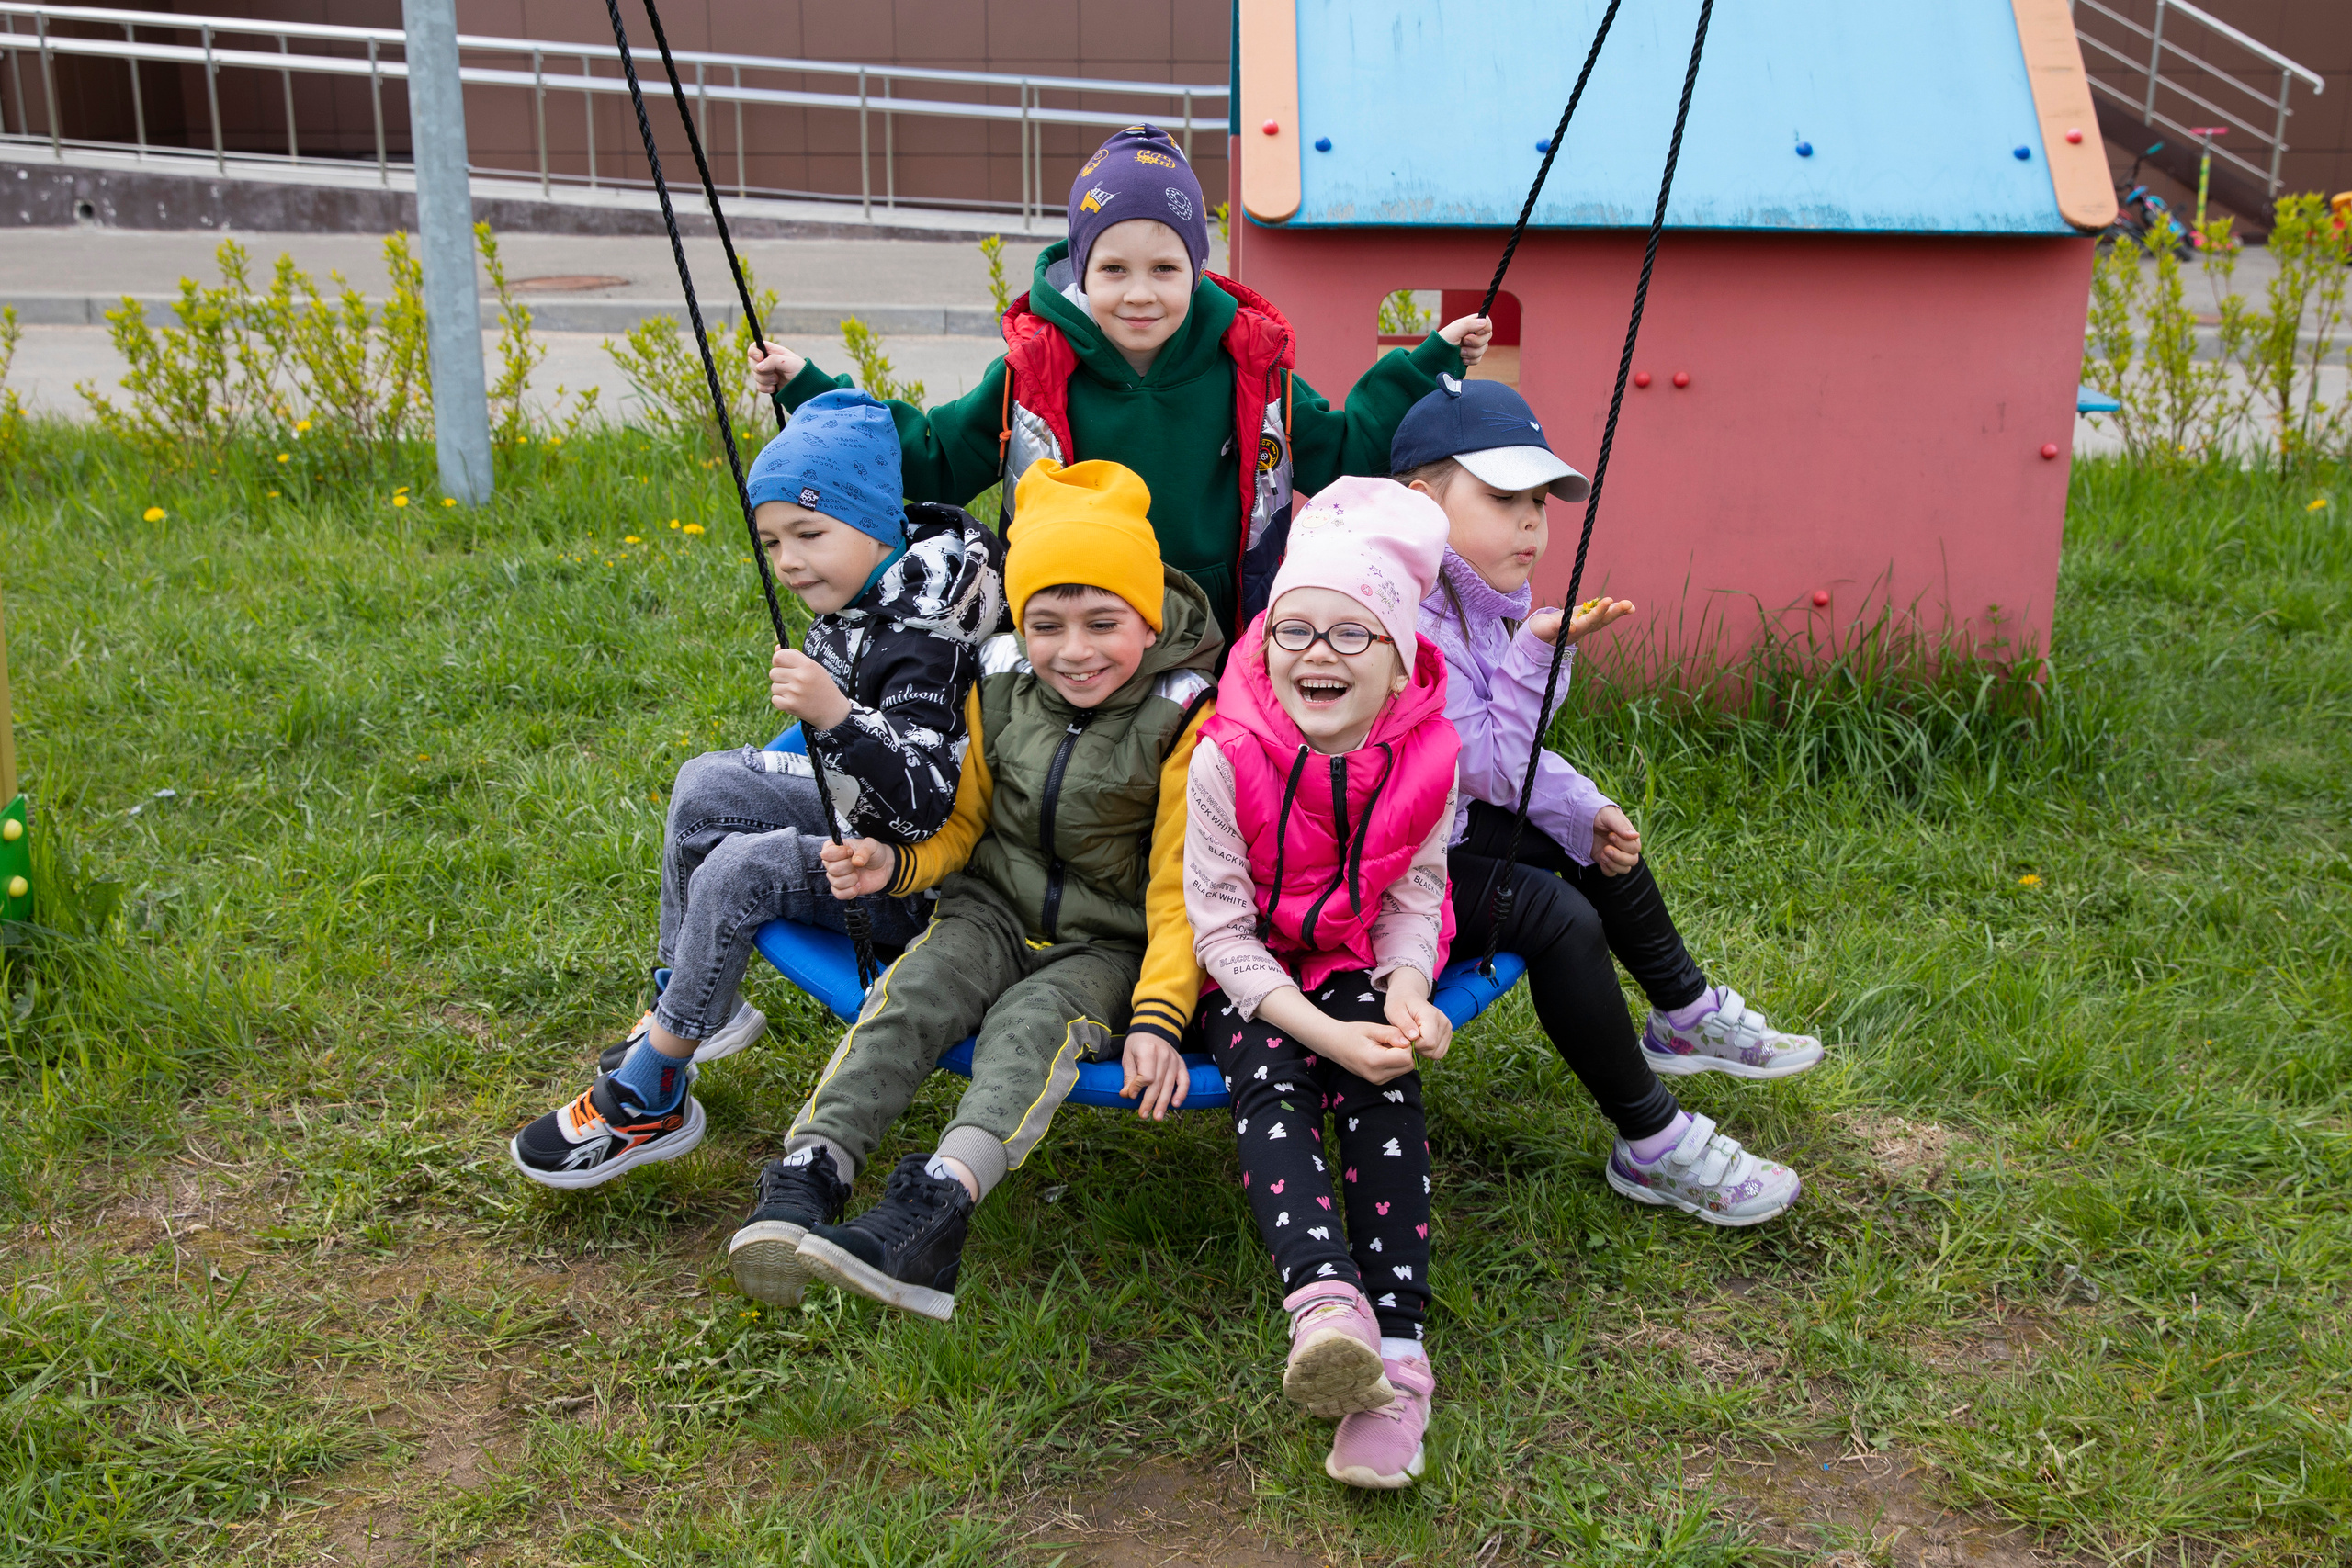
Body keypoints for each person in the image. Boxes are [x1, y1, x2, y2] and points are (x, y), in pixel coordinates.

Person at [722, 457, 1221, 1319]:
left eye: (1104, 622)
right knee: (912, 992)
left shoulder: (1186, 719)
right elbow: (965, 822)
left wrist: (1159, 1017)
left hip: (1108, 943)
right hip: (989, 907)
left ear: (1148, 619)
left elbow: (1185, 890)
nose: (1073, 651)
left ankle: (937, 1207)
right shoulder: (1000, 689)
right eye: (1045, 623)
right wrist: (896, 867)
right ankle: (816, 1165)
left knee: (1032, 1027)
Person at [508, 390, 1007, 1190]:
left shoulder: (926, 637)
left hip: (910, 882)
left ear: (879, 524)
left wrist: (837, 714)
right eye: (773, 540)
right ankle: (695, 1004)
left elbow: (928, 803)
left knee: (741, 868)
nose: (789, 561)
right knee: (704, 784)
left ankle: (654, 1093)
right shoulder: (873, 584)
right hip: (856, 804)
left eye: (810, 534)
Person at [747, 123, 1494, 643]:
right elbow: (935, 454)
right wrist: (810, 393)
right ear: (1081, 269)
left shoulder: (1251, 368)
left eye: (1165, 268)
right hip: (1073, 617)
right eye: (1114, 269)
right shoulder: (1033, 373)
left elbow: (1348, 450)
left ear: (1197, 268)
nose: (1140, 294)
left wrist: (1426, 360)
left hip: (1213, 622)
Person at [1394, 377, 1823, 1226]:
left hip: (1440, 827)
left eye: (1541, 504)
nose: (1530, 523)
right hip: (1381, 877)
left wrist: (1584, 805)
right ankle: (1651, 1141)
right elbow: (1483, 760)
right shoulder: (1399, 614)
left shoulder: (1475, 595)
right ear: (1420, 503)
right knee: (1558, 913)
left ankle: (1684, 1011)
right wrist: (1533, 660)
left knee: (1590, 832)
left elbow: (1499, 770)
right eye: (1503, 498)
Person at [1184, 478, 1458, 1491]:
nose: (1316, 654)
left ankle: (1397, 1356)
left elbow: (1415, 893)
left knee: (1383, 1078)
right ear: (1263, 647)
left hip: (1347, 956)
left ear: (1397, 665)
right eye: (1293, 630)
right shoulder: (1228, 758)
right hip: (1247, 972)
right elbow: (1218, 930)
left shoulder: (1430, 757)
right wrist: (1324, 1032)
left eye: (1352, 636)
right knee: (1272, 1075)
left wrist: (1405, 986)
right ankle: (1325, 1307)